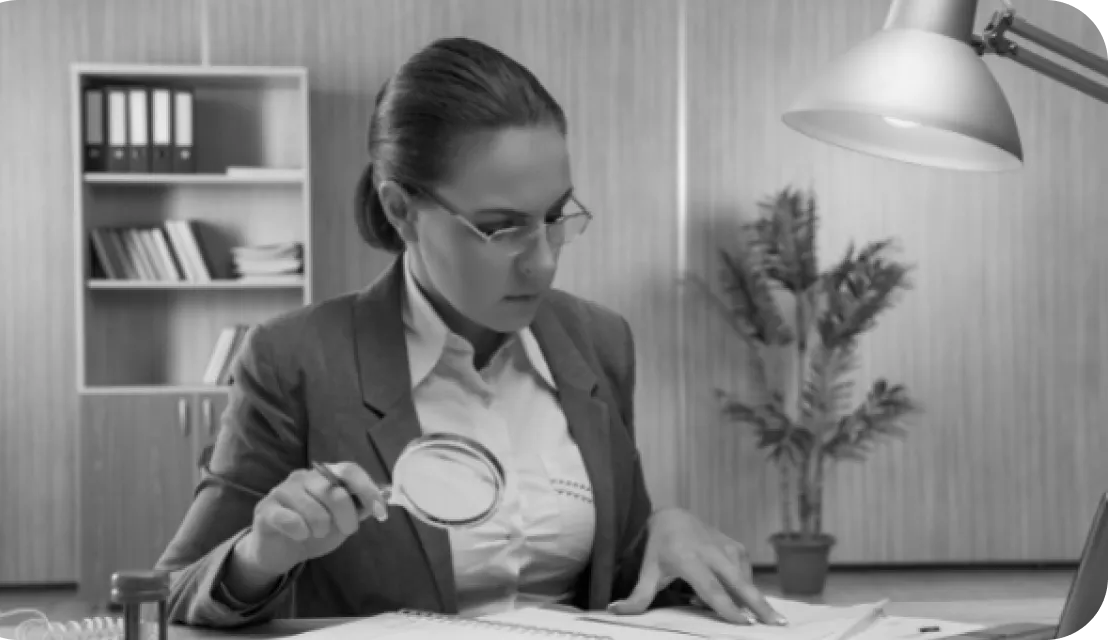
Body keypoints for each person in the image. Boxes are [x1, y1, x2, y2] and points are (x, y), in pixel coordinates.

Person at [155, 36, 786, 630]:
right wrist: (261, 555)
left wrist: (664, 536)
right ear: (402, 209)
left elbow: (614, 577)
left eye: (554, 216)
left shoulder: (599, 340)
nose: (542, 261)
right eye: (500, 227)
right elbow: (172, 592)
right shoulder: (294, 358)